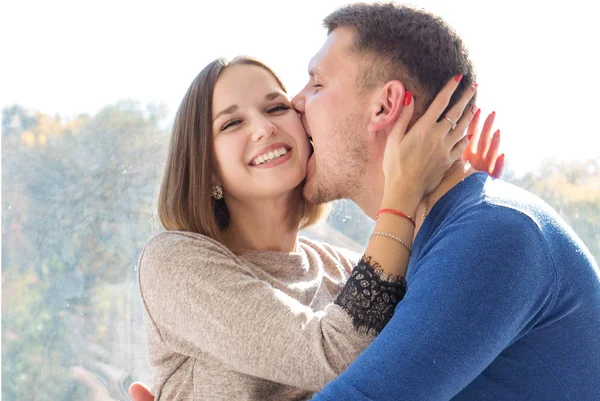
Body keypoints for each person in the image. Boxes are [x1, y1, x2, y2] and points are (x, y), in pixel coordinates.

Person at [131, 2, 600, 401]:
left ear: (383, 105)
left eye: (314, 84)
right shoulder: (461, 238)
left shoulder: (491, 232)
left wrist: (452, 206)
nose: (294, 106)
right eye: (230, 124)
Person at [134, 51, 497, 401]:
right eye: (231, 123)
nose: (264, 128)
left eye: (277, 108)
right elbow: (333, 355)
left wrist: (456, 198)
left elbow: (417, 362)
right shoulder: (174, 263)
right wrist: (404, 189)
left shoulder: (346, 270)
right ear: (206, 166)